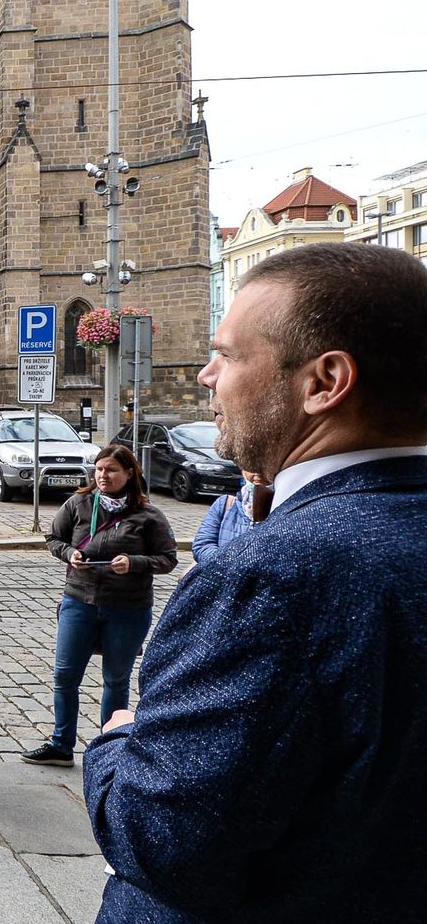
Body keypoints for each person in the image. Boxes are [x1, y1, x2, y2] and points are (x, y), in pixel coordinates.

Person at [84, 243, 427, 921]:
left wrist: (117, 739)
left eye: (229, 354)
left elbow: (162, 838)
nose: (207, 375)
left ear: (324, 382)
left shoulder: (274, 576)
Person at [21, 444, 176, 767]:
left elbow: (167, 559)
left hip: (127, 608)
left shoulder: (148, 515)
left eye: (111, 470)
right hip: (79, 600)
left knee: (116, 680)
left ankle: (109, 748)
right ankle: (61, 744)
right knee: (65, 675)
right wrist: (69, 554)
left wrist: (133, 562)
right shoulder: (79, 503)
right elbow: (54, 538)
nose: (103, 476)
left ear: (129, 473)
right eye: (100, 469)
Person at [189, 469, 267, 569]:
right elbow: (202, 546)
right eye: (251, 465)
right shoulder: (224, 503)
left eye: (263, 464)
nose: (258, 471)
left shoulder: (283, 507)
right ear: (242, 470)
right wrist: (230, 566)